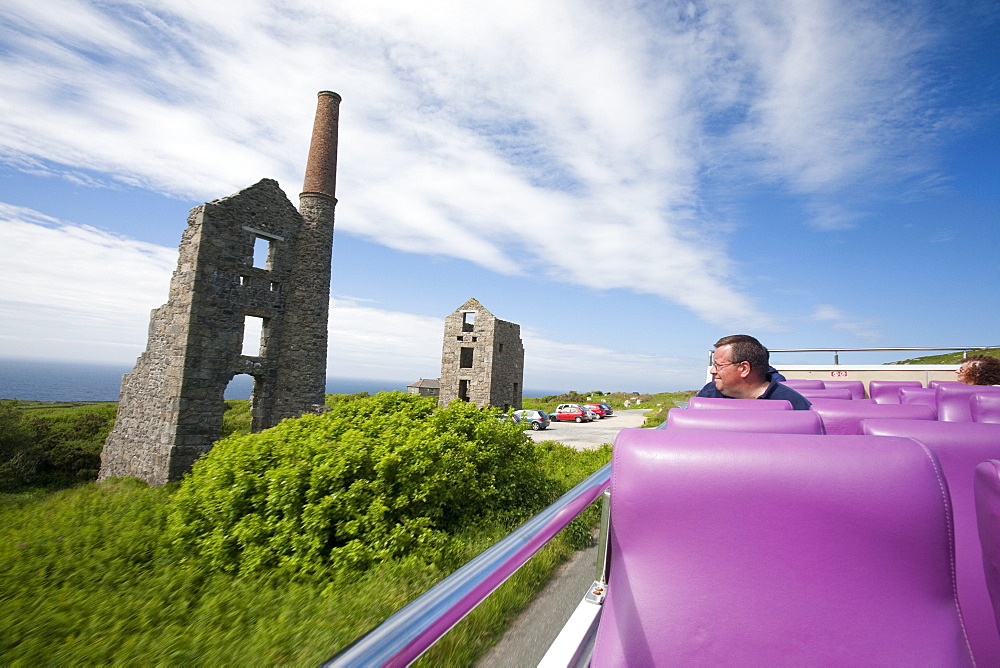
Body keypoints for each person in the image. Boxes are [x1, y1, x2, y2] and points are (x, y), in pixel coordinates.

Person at [696, 334, 812, 410]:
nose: (712, 371)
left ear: (744, 368)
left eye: (718, 365)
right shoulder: (709, 393)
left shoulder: (794, 405)